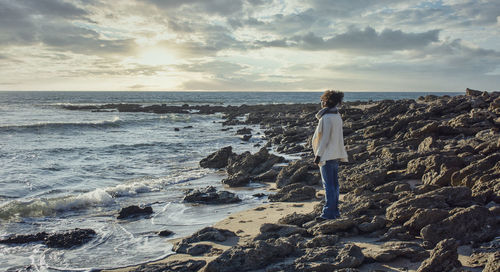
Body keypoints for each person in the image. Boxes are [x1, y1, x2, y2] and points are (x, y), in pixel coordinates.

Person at [312, 90, 348, 221]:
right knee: (334, 185)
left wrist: (318, 155)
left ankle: (327, 213)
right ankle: (335, 212)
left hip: (326, 155)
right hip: (335, 154)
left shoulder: (326, 118)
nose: (321, 102)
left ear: (327, 102)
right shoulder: (337, 116)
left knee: (329, 185)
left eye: (323, 100)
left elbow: (325, 138)